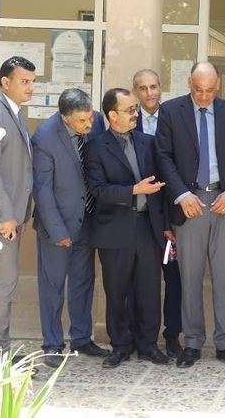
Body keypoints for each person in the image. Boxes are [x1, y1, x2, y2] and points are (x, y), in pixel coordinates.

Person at [155, 62, 225, 369]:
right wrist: (181, 194)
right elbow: (163, 157)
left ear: (218, 85)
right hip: (189, 203)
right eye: (198, 90)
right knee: (190, 277)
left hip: (224, 202)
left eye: (210, 90)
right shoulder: (171, 111)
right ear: (189, 83)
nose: (204, 96)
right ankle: (192, 343)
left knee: (224, 277)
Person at [84, 88, 170, 368]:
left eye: (135, 109)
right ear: (112, 115)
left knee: (149, 290)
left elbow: (162, 188)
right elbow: (98, 190)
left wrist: (166, 226)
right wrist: (134, 190)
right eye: (130, 109)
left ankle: (148, 345)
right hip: (114, 229)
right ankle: (120, 345)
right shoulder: (95, 147)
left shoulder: (148, 142)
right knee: (116, 291)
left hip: (147, 227)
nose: (136, 114)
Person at [31, 89, 109, 368]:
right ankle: (52, 344)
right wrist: (58, 232)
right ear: (65, 118)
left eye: (90, 118)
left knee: (83, 282)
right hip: (58, 225)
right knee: (52, 286)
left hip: (86, 220)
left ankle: (81, 338)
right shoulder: (44, 138)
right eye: (81, 121)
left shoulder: (95, 122)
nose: (89, 125)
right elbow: (42, 192)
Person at [130, 69, 182, 358]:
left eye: (153, 87)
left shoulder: (174, 117)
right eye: (143, 88)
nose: (149, 93)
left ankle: (172, 334)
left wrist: (171, 219)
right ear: (135, 92)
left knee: (174, 278)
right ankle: (138, 336)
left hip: (171, 213)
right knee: (140, 280)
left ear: (161, 87)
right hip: (139, 216)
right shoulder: (128, 121)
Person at [0, 56, 35, 358]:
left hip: (12, 218)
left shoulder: (15, 112)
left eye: (33, 81)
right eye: (24, 81)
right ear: (5, 82)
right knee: (3, 286)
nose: (30, 87)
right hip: (2, 220)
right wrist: (6, 214)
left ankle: (1, 349)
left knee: (4, 286)